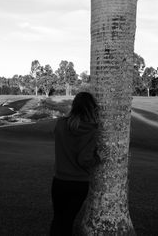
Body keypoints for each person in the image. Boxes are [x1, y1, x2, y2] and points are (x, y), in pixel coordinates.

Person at [49, 92, 107, 236]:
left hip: (59, 182)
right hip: (77, 184)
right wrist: (99, 158)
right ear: (91, 109)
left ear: (74, 105)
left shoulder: (61, 124)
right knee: (67, 222)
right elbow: (84, 160)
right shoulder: (91, 130)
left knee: (58, 219)